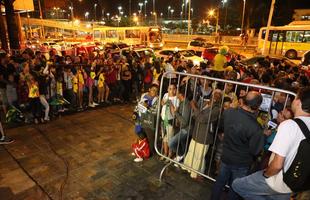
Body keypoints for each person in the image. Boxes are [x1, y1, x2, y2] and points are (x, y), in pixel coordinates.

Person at [232, 87, 310, 200]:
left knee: (237, 185)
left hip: (275, 180)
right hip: (294, 184)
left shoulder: (289, 125)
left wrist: (266, 174)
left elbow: (277, 165)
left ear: (298, 102)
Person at [211, 91, 265, 200]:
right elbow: (256, 151)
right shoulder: (256, 127)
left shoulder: (229, 112)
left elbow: (221, 127)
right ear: (257, 107)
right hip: (241, 164)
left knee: (219, 183)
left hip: (226, 157)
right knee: (235, 189)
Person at [183, 89, 222, 179]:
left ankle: (196, 174)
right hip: (197, 132)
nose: (216, 96)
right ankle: (189, 168)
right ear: (211, 95)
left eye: (219, 95)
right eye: (215, 94)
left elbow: (203, 119)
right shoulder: (205, 103)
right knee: (192, 151)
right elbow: (195, 115)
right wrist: (196, 107)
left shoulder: (217, 109)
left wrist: (194, 107)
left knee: (199, 155)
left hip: (204, 135)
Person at [168, 85, 191, 162]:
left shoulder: (185, 104)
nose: (175, 92)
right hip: (182, 128)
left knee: (171, 143)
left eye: (176, 91)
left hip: (185, 129)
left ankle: (181, 155)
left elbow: (184, 122)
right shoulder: (182, 102)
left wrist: (176, 113)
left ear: (181, 95)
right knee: (183, 144)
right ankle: (183, 157)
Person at [161, 84, 179, 158]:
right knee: (164, 137)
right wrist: (164, 102)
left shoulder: (176, 98)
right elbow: (162, 103)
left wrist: (171, 103)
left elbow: (175, 111)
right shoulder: (165, 95)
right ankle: (165, 153)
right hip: (163, 119)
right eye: (170, 88)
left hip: (170, 120)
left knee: (170, 138)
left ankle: (170, 154)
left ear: (175, 90)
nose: (171, 90)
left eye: (173, 88)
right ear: (167, 89)